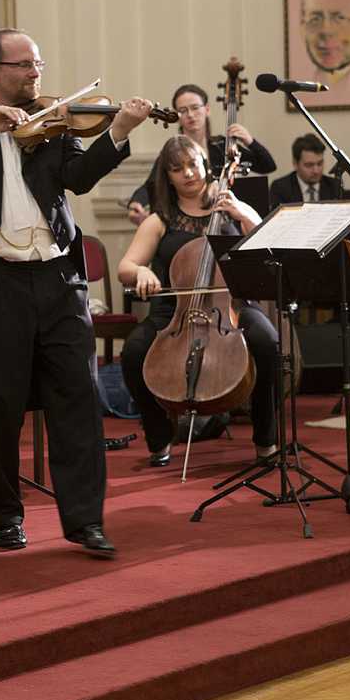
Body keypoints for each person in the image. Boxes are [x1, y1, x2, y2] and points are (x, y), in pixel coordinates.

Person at [0, 27, 152, 555]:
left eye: (38, 64)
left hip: (58, 279)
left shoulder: (55, 121)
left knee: (79, 398)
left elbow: (80, 177)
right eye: (23, 65)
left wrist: (118, 133)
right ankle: (5, 514)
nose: (35, 73)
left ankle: (85, 520)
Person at [118, 136, 279, 468]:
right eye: (177, 169)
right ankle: (160, 435)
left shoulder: (233, 208)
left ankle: (266, 438)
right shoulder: (159, 219)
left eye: (193, 164)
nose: (188, 174)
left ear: (206, 165)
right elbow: (125, 267)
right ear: (168, 176)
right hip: (174, 311)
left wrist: (242, 214)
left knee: (267, 342)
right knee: (133, 351)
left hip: (231, 305)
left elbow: (270, 249)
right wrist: (141, 273)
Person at [125, 83, 275, 226]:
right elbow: (151, 184)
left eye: (195, 108)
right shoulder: (172, 153)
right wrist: (135, 203)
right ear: (177, 116)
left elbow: (267, 165)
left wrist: (250, 141)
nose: (190, 115)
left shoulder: (222, 147)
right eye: (183, 110)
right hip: (186, 222)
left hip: (225, 220)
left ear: (207, 109)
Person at [268, 133, 342, 207]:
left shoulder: (333, 186)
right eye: (309, 165)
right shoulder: (281, 188)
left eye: (319, 164)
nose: (316, 171)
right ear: (295, 164)